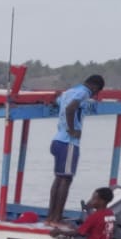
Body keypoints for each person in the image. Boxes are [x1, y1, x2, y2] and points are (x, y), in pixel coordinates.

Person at [47, 73, 104, 225]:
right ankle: (56, 218)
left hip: (57, 140)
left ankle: (50, 217)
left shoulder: (69, 92)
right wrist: (72, 129)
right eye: (96, 92)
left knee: (59, 178)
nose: (94, 95)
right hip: (69, 142)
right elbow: (71, 108)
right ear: (95, 87)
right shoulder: (84, 93)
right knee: (66, 180)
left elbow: (57, 102)